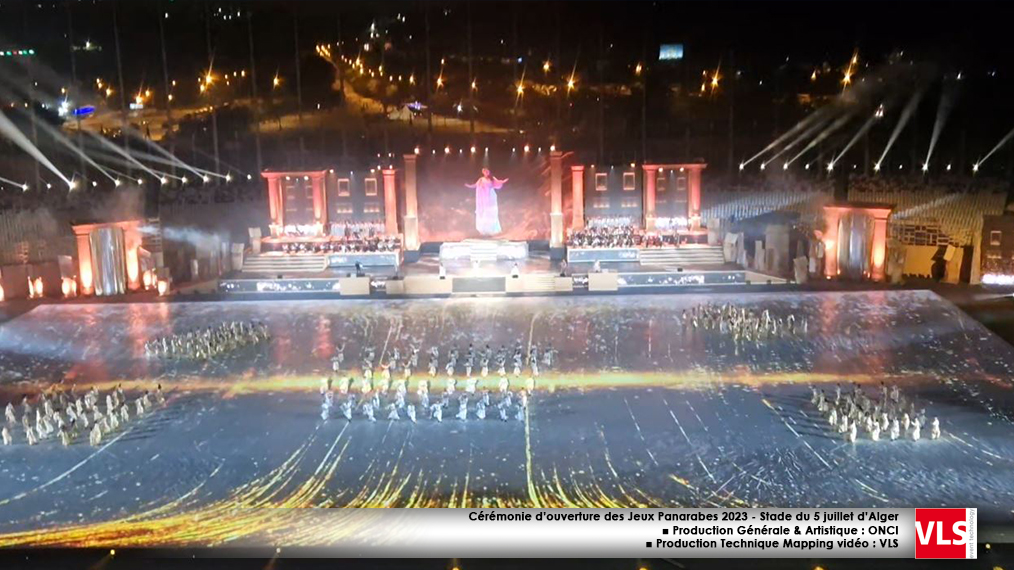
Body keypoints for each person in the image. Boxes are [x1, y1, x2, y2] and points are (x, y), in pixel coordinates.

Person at [464, 168, 508, 236]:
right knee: (483, 212)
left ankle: (492, 230)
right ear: (483, 173)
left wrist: (503, 181)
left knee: (490, 212)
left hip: (490, 196)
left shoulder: (492, 178)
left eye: (487, 171)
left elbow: (498, 182)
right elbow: (475, 185)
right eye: (484, 171)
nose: (486, 172)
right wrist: (469, 186)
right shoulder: (481, 179)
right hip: (483, 198)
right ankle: (483, 230)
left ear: (489, 172)